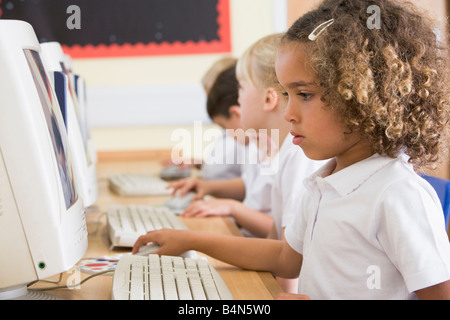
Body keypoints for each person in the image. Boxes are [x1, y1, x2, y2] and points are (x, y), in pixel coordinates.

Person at [134, 0, 450, 299]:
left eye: (304, 94)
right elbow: (286, 257)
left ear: (361, 97)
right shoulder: (324, 181)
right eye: (287, 94)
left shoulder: (397, 194)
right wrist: (190, 240)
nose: (288, 114)